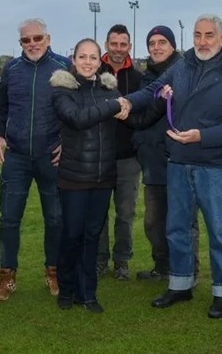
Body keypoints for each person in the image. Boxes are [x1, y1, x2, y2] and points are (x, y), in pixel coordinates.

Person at [124, 14, 222, 319]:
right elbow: (153, 89)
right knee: (176, 228)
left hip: (214, 165)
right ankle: (180, 285)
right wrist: (127, 102)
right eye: (198, 35)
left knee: (218, 232)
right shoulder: (181, 67)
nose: (203, 41)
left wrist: (203, 136)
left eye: (209, 35)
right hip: (178, 162)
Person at [50, 38, 147, 313]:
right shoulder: (62, 90)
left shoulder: (108, 89)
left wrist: (144, 102)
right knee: (72, 235)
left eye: (93, 57)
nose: (88, 62)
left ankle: (87, 293)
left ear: (99, 61)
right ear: (74, 60)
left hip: (103, 177)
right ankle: (66, 289)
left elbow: (132, 118)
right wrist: (116, 104)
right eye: (83, 56)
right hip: (74, 177)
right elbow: (78, 118)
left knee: (92, 235)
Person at [0, 18, 70, 300]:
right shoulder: (11, 69)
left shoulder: (64, 66)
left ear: (48, 38)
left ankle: (54, 273)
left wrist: (67, 142)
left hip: (52, 157)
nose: (32, 44)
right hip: (17, 157)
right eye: (26, 39)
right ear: (20, 42)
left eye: (37, 38)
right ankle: (6, 278)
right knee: (9, 218)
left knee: (56, 218)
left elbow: (76, 109)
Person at [132, 25, 201, 282]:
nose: (156, 47)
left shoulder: (187, 73)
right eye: (152, 43)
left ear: (172, 45)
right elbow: (140, 116)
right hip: (153, 161)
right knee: (153, 221)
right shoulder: (146, 79)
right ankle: (162, 267)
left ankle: (189, 270)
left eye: (162, 42)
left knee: (184, 220)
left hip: (180, 158)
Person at [97, 24, 143, 280]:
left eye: (122, 44)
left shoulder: (138, 78)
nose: (118, 49)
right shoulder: (93, 73)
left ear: (129, 47)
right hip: (99, 155)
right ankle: (100, 260)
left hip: (128, 158)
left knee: (125, 213)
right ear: (106, 45)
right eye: (113, 44)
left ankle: (122, 261)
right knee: (99, 213)